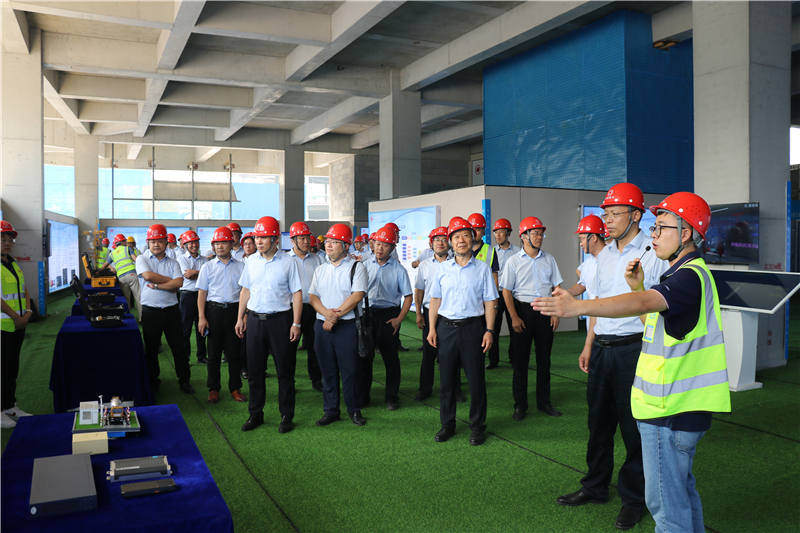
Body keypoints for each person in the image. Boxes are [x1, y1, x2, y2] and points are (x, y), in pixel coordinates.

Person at [534, 192, 730, 533]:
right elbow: (653, 322)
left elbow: (641, 304)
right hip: (672, 405)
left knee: (667, 508)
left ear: (685, 233)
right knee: (680, 493)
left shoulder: (687, 277)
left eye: (661, 228)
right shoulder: (683, 273)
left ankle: (631, 500)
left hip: (670, 410)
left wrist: (578, 308)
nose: (655, 235)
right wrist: (638, 288)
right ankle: (595, 485)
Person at [550, 183, 668, 531]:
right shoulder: (601, 258)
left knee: (633, 428)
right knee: (598, 423)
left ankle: (633, 499)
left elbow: (650, 305)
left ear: (636, 215)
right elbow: (596, 307)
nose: (608, 220)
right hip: (602, 349)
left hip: (635, 349)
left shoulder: (651, 254)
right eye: (606, 214)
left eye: (615, 213)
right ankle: (595, 486)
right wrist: (589, 345)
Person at [427, 217, 498, 446]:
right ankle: (447, 424)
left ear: (472, 238)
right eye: (456, 236)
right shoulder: (442, 269)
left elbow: (490, 301)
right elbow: (435, 300)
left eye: (466, 235)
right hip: (446, 329)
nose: (461, 240)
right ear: (451, 242)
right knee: (446, 381)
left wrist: (489, 330)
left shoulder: (483, 268)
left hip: (473, 329)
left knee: (476, 381)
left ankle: (477, 426)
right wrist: (432, 328)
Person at [236, 216, 302, 434]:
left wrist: (296, 323)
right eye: (257, 237)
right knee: (255, 371)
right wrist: (240, 318)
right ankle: (255, 413)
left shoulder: (288, 262)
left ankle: (286, 415)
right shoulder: (251, 261)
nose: (259, 241)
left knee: (285, 370)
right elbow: (245, 290)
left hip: (280, 321)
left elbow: (297, 293)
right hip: (255, 321)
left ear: (275, 239)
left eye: (263, 237)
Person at [500, 216, 563, 420]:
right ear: (524, 236)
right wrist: (514, 317)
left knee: (544, 359)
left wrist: (555, 312)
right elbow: (506, 291)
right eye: (535, 233)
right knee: (520, 361)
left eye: (541, 234)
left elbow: (557, 287)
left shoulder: (549, 259)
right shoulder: (513, 261)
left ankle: (544, 403)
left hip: (545, 312)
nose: (539, 237)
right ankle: (520, 405)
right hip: (522, 312)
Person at [308, 223, 367, 427]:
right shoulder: (320, 269)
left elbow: (357, 295)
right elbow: (313, 297)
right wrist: (326, 315)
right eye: (328, 242)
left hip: (347, 327)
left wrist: (334, 317)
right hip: (322, 326)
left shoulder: (357, 267)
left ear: (346, 245)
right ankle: (331, 410)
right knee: (328, 370)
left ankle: (354, 409)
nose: (329, 245)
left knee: (350, 370)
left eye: (334, 242)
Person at [136, 223, 193, 394]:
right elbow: (147, 275)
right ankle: (153, 381)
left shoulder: (174, 262)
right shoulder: (142, 259)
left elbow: (179, 283)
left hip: (171, 312)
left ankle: (184, 380)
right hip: (150, 311)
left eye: (160, 241)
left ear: (166, 242)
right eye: (152, 241)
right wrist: (170, 280)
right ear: (148, 242)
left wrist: (158, 285)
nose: (156, 244)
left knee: (179, 348)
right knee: (151, 350)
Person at [361, 226, 413, 410]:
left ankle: (391, 396)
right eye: (377, 244)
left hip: (388, 316)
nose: (380, 248)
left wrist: (399, 319)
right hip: (367, 315)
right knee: (364, 358)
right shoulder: (364, 266)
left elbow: (408, 297)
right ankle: (363, 395)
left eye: (385, 244)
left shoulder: (399, 270)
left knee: (391, 359)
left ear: (392, 248)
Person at [413, 226, 465, 403]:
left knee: (453, 353)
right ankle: (425, 389)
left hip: (450, 313)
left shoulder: (457, 263)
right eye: (437, 240)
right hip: (430, 312)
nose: (440, 243)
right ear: (431, 243)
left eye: (444, 239)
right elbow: (419, 290)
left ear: (449, 243)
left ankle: (455, 389)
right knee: (429, 352)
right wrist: (418, 313)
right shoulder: (424, 265)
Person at [197, 226, 247, 405]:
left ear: (232, 244)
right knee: (214, 353)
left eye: (223, 242)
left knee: (234, 352)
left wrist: (243, 317)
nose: (219, 246)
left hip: (235, 312)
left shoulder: (242, 266)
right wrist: (202, 317)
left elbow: (244, 293)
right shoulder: (207, 267)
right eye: (216, 243)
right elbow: (202, 293)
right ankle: (214, 389)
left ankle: (235, 388)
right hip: (214, 312)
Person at [1, 221, 33, 428]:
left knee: (11, 369)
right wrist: (16, 317)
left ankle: (9, 406)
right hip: (4, 327)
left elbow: (24, 289)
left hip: (17, 326)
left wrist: (28, 312)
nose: (8, 243)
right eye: (3, 239)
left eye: (10, 240)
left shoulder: (12, 263)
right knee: (1, 369)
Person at [287, 221, 325, 392]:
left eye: (307, 238)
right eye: (301, 238)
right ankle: (289, 382)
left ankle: (316, 379)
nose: (306, 241)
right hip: (291, 309)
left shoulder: (318, 259)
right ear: (292, 240)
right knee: (289, 348)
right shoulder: (286, 260)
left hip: (313, 308)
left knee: (314, 346)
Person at [487, 218, 520, 368]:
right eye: (496, 232)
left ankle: (514, 359)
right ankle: (493, 360)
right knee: (494, 327)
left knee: (515, 327)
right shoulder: (491, 252)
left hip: (513, 294)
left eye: (501, 232)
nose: (498, 235)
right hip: (497, 294)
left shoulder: (518, 252)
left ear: (508, 234)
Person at [566, 215, 607, 332]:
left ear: (593, 237)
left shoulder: (612, 258)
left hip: (609, 323)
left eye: (582, 239)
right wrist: (567, 293)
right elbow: (582, 285)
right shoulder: (588, 262)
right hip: (592, 322)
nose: (580, 244)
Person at [177, 230, 208, 365]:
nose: (194, 245)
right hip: (187, 296)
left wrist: (195, 272)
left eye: (196, 242)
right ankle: (185, 357)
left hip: (202, 295)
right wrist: (201, 273)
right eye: (191, 243)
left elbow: (208, 276)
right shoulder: (181, 259)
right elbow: (187, 276)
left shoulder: (204, 259)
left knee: (202, 326)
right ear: (185, 245)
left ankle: (201, 356)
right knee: (186, 328)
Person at [104, 233, 142, 321]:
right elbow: (136, 259)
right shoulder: (128, 249)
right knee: (138, 296)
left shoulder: (112, 253)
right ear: (123, 242)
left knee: (126, 299)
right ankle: (141, 318)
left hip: (121, 277)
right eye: (125, 241)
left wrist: (98, 272)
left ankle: (128, 318)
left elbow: (105, 264)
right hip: (132, 274)